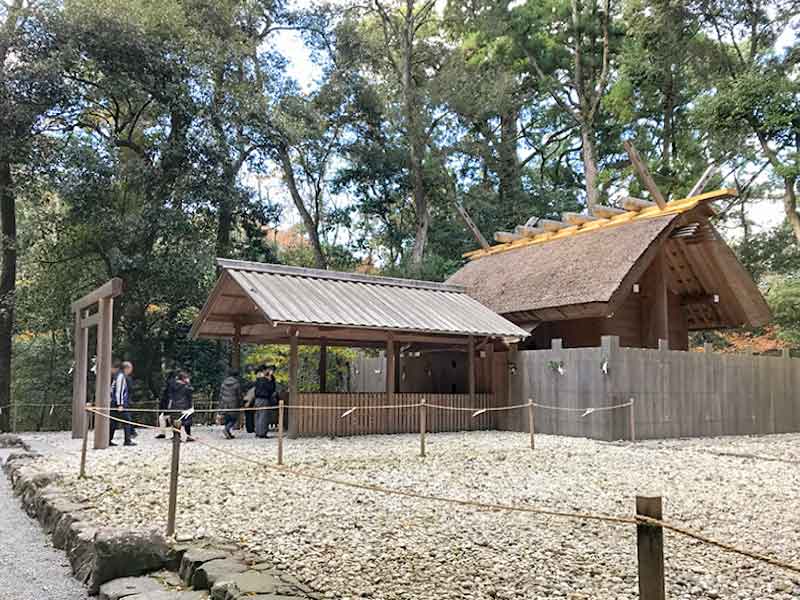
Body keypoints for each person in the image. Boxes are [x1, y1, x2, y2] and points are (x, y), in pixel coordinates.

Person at [110, 361, 136, 446]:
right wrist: (120, 404)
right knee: (127, 421)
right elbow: (119, 391)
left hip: (114, 402)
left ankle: (108, 439)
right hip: (119, 403)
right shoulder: (121, 376)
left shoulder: (117, 375)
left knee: (113, 422)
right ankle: (127, 440)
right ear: (127, 368)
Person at [219, 368, 242, 439]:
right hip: (233, 403)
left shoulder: (223, 383)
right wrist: (240, 402)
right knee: (234, 419)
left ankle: (228, 432)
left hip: (224, 402)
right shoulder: (237, 383)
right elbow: (239, 394)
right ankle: (226, 429)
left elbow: (221, 394)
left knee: (227, 417)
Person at [171, 370, 194, 441]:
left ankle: (177, 437)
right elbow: (190, 393)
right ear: (184, 378)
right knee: (187, 422)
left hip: (175, 405)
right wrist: (188, 383)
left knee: (176, 422)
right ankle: (188, 436)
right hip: (185, 406)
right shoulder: (186, 387)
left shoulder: (173, 385)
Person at [254, 364, 276, 438]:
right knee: (263, 417)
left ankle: (257, 432)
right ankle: (262, 433)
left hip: (257, 399)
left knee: (258, 416)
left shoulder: (258, 378)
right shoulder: (265, 379)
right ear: (264, 370)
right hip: (264, 399)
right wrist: (270, 379)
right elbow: (271, 389)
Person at [155, 370, 177, 439]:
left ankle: (166, 433)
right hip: (167, 403)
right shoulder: (173, 382)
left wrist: (169, 404)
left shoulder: (170, 382)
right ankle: (166, 433)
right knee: (166, 418)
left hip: (167, 403)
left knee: (166, 418)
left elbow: (170, 394)